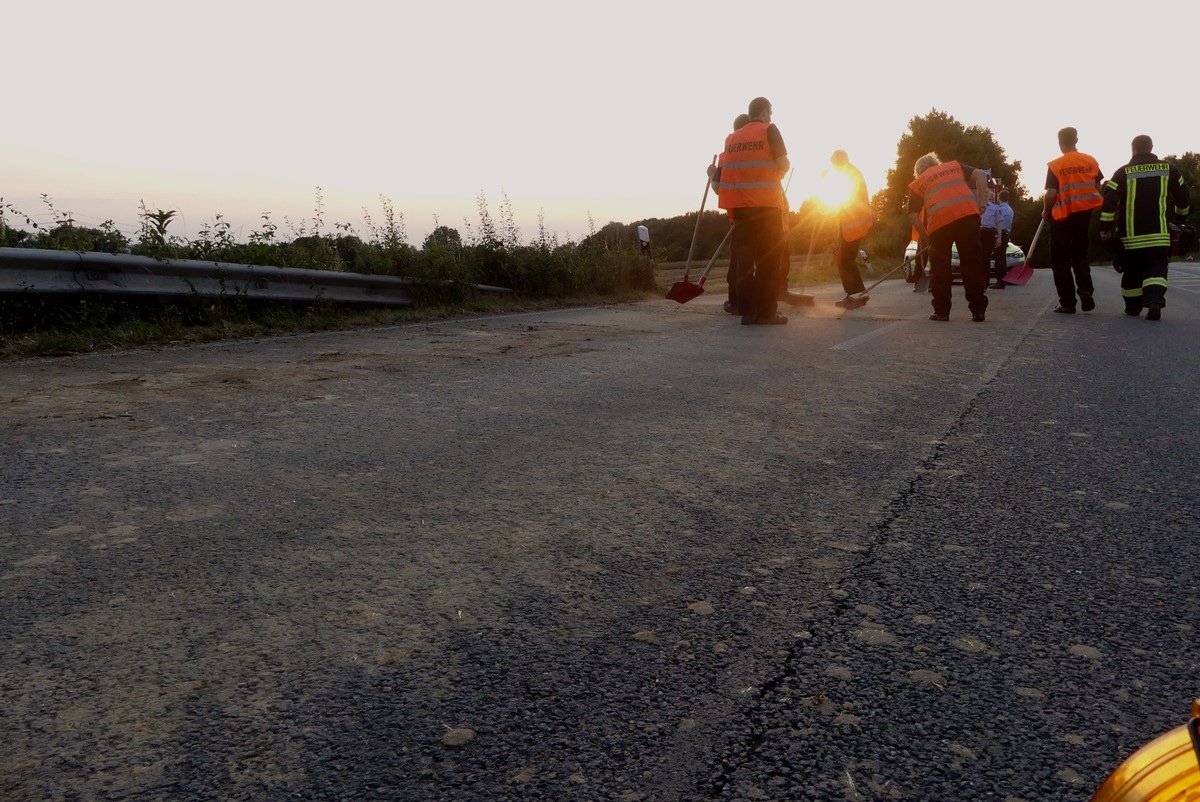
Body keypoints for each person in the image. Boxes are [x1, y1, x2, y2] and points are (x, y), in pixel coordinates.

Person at [714, 97, 790, 325]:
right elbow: (783, 163)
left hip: (741, 209)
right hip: (766, 206)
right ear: (765, 112)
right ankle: (766, 313)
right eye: (770, 112)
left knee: (744, 262)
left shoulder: (732, 139)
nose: (771, 117)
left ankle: (747, 312)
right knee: (768, 260)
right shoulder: (769, 130)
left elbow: (725, 175)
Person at [1099, 135, 1191, 321]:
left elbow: (1109, 202)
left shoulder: (1122, 173)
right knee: (1156, 268)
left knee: (1132, 272)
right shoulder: (1169, 169)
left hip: (1130, 239)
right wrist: (1181, 218)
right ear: (1151, 148)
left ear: (1133, 149)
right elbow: (1183, 197)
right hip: (1158, 237)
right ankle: (1154, 301)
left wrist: (1106, 227)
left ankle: (1133, 307)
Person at [908, 152, 990, 321]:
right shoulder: (954, 166)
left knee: (940, 267)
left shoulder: (918, 182)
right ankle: (978, 310)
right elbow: (981, 175)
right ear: (936, 163)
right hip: (967, 216)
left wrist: (926, 237)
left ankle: (942, 311)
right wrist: (982, 203)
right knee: (972, 263)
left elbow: (913, 215)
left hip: (940, 223)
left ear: (919, 171)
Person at [1044, 127, 1104, 313]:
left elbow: (1051, 193)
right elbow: (1097, 185)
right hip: (1084, 215)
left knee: (1060, 260)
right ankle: (1085, 291)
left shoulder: (1056, 165)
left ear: (1060, 142)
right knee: (1079, 256)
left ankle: (1068, 302)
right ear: (1076, 140)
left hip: (1062, 216)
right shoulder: (1090, 161)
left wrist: (1046, 211)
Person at [710, 114, 751, 314]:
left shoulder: (726, 155)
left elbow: (717, 187)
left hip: (737, 214)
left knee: (739, 258)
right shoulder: (759, 149)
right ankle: (753, 302)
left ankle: (736, 301)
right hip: (761, 212)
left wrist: (711, 176)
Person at [829, 150, 873, 302]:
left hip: (855, 224)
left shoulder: (850, 175)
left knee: (845, 257)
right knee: (843, 257)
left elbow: (845, 197)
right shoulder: (851, 173)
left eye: (835, 165)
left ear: (841, 161)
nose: (834, 168)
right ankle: (854, 293)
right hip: (852, 223)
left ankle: (857, 293)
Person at [991, 189, 1014, 287]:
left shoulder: (1000, 209)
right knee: (1002, 258)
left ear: (999, 198)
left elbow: (996, 222)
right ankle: (1003, 279)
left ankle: (999, 281)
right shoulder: (1009, 209)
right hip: (1006, 233)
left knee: (998, 258)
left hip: (1001, 234)